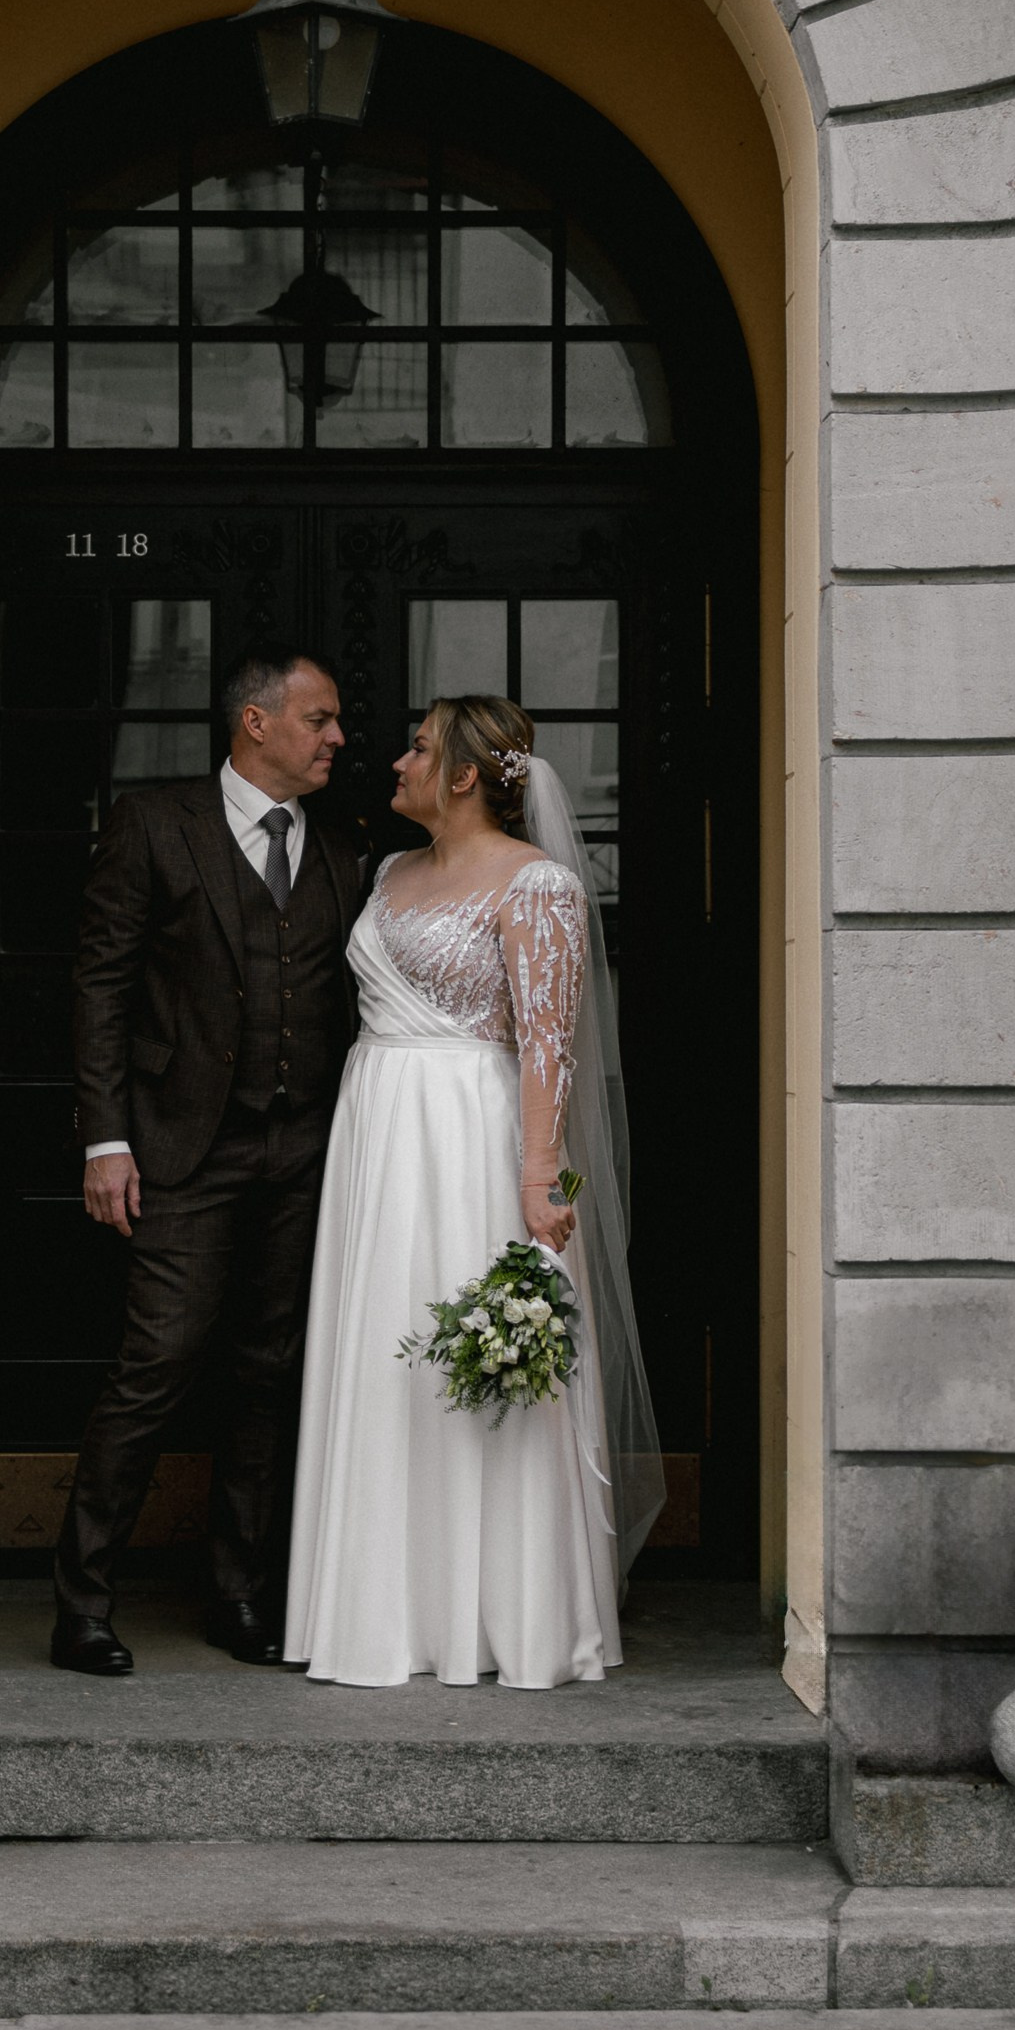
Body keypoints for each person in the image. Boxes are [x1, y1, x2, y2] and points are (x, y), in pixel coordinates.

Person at [283, 692, 663, 1689]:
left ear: (461, 776)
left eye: (416, 748)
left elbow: (555, 1050)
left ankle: (501, 1619)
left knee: (474, 1368)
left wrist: (547, 1182)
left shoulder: (537, 887)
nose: (395, 761)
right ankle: (381, 1610)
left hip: (473, 1139)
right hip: (378, 1132)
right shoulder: (390, 872)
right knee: (382, 1360)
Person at [53, 644, 366, 1677]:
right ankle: (82, 1606)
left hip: (302, 1151)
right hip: (184, 1151)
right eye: (319, 720)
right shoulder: (154, 824)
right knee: (155, 1369)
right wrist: (108, 1139)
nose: (337, 738)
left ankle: (238, 1598)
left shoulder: (340, 848)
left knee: (269, 1376)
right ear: (257, 724)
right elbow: (100, 985)